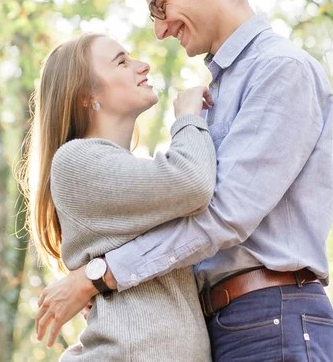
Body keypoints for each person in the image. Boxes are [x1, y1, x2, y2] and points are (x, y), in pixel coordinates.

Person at [36, 0, 333, 360]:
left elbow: (226, 213)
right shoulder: (216, 93)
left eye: (160, 5)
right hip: (225, 321)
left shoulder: (279, 69)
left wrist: (99, 277)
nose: (159, 30)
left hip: (270, 313)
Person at [24, 32, 218, 360]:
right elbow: (192, 182)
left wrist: (92, 278)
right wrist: (187, 119)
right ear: (85, 95)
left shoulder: (123, 171)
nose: (142, 66)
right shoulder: (77, 161)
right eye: (122, 61)